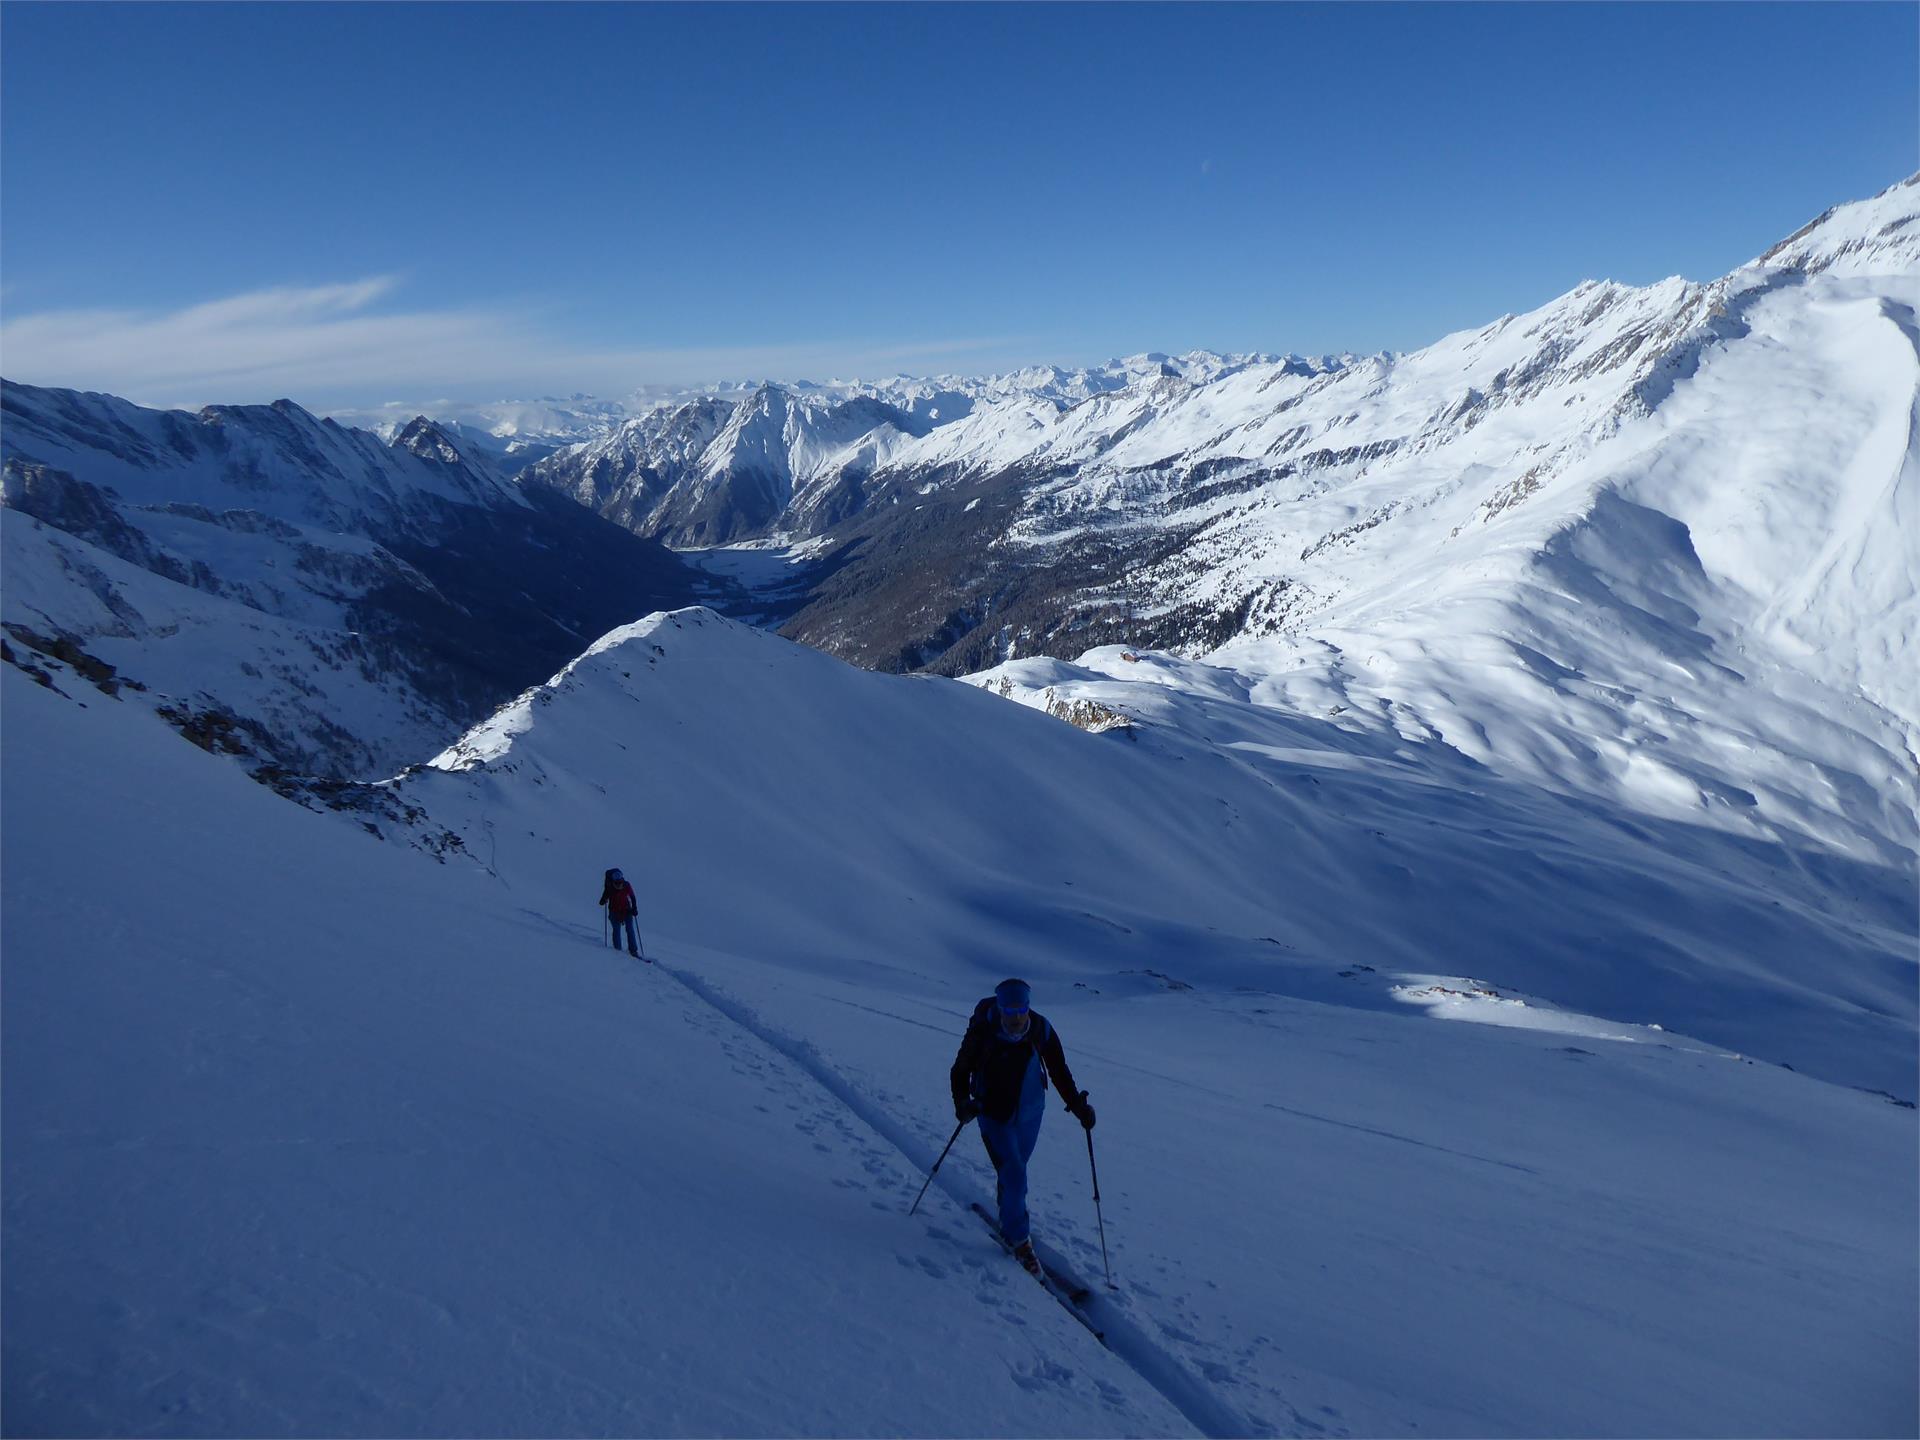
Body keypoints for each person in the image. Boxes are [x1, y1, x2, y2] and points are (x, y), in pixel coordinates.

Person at [949, 978, 1094, 1274]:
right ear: (1000, 1008)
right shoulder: (983, 1032)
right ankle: (1018, 1239)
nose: (1015, 1018)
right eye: (1009, 1011)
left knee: (1016, 1169)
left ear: (1028, 1008)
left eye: (1021, 1010)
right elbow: (960, 1071)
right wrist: (963, 1103)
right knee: (1014, 1173)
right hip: (993, 1113)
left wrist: (1078, 1106)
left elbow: (1058, 1070)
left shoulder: (1041, 1030)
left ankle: (1009, 1210)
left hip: (1030, 1112)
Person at [599, 867, 641, 958]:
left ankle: (633, 951)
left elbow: (633, 897)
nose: (619, 886)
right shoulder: (609, 887)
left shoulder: (626, 885)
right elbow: (604, 897)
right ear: (613, 882)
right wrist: (603, 900)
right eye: (617, 884)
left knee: (630, 929)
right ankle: (618, 951)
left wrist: (634, 908)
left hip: (626, 910)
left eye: (620, 884)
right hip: (614, 911)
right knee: (617, 930)